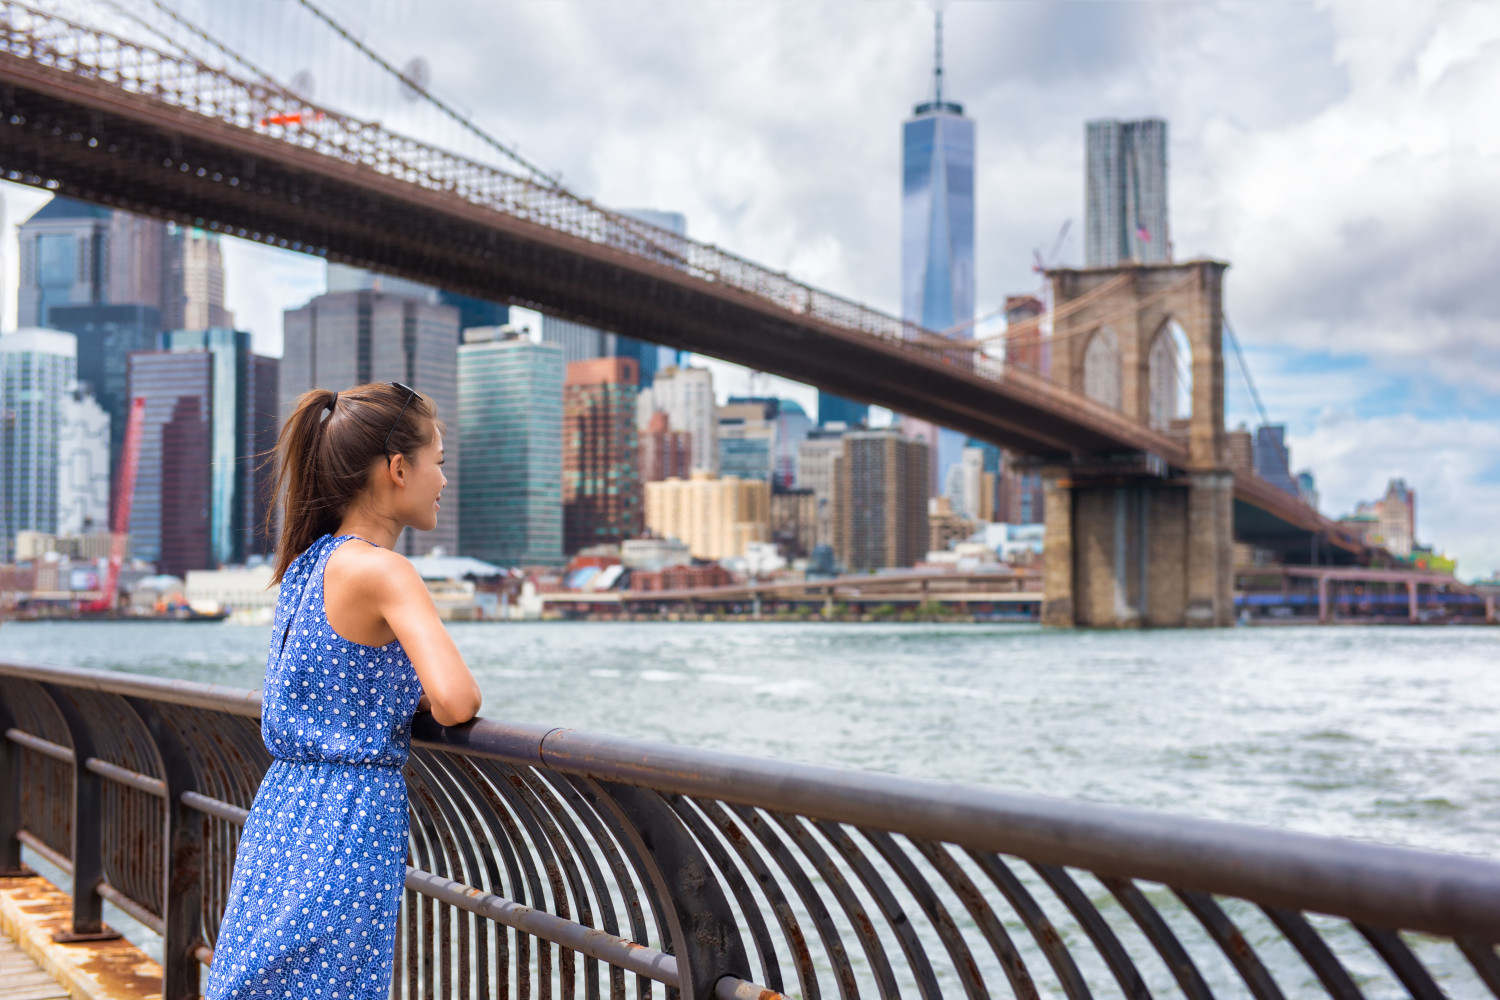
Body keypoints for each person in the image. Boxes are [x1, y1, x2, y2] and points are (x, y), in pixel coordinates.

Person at [205, 381, 481, 1000]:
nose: (443, 480)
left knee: (267, 977)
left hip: (283, 809)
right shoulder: (384, 571)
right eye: (439, 463)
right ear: (398, 468)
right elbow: (457, 700)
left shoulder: (307, 562)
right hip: (348, 821)